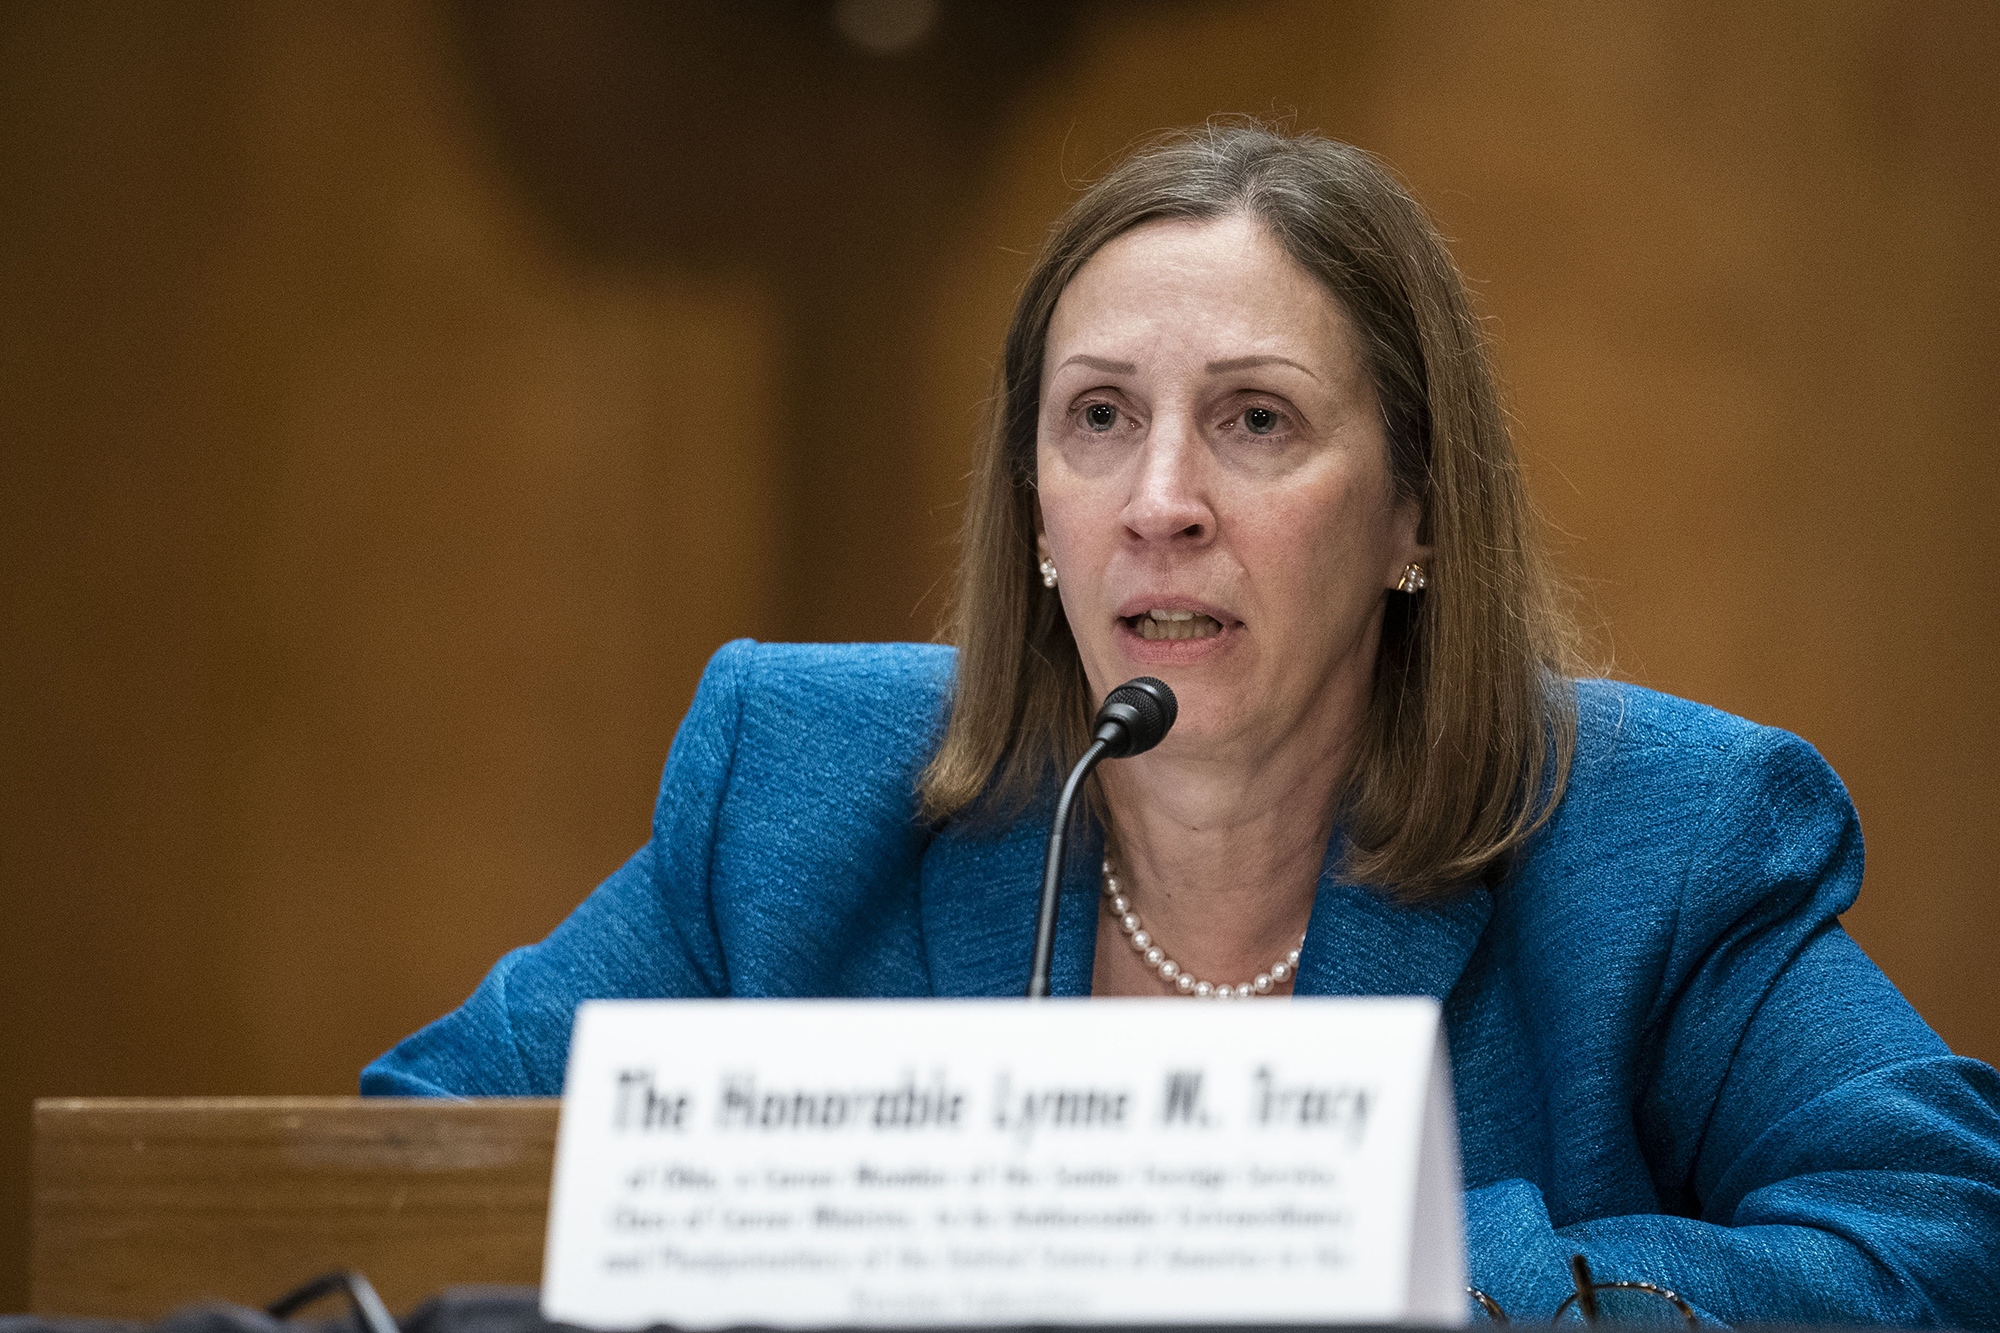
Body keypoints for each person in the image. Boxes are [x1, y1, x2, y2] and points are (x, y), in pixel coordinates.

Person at [363, 125, 2000, 1324]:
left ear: (1416, 514)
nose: (1159, 502)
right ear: (1036, 509)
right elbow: (397, 1186)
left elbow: (1944, 1235)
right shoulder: (799, 785)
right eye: (1097, 421)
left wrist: (1361, 1238)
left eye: (1255, 421)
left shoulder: (1654, 837)